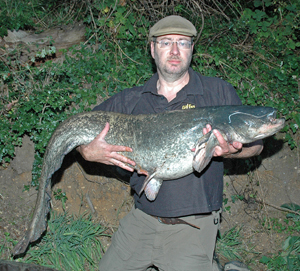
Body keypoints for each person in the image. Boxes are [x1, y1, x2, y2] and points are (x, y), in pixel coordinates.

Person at [77, 15, 263, 271]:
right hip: (141, 219)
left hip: (194, 225)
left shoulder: (217, 93)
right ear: (153, 49)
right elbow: (80, 129)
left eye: (183, 43)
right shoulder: (131, 100)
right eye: (166, 43)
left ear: (192, 49)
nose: (175, 51)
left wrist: (231, 152)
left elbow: (256, 145)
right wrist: (87, 151)